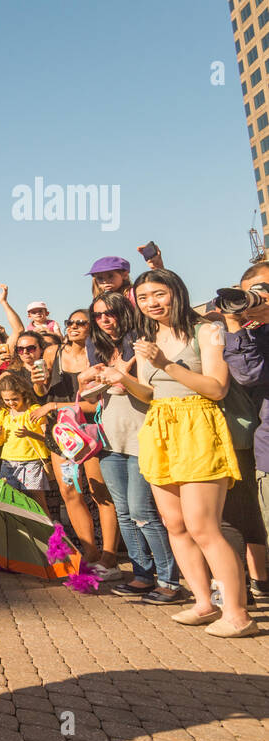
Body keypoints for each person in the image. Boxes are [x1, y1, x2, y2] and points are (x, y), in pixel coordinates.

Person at [101, 269, 255, 636]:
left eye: (159, 294)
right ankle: (203, 603)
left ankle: (237, 614)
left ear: (176, 292)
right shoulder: (147, 336)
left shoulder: (206, 329)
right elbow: (152, 394)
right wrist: (122, 379)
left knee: (204, 527)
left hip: (198, 426)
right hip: (158, 428)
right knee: (175, 525)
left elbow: (216, 388)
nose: (151, 302)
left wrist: (165, 364)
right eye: (143, 297)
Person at [80, 292, 183, 603]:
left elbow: (152, 393)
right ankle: (141, 576)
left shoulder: (141, 342)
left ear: (125, 312)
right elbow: (88, 400)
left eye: (110, 312)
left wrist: (122, 374)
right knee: (124, 513)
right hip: (110, 438)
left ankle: (169, 581)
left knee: (144, 512)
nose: (104, 319)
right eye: (98, 315)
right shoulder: (98, 348)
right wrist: (87, 380)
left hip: (143, 436)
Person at [31, 308, 121, 575]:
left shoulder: (101, 355)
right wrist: (39, 385)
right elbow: (42, 392)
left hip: (91, 429)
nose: (74, 326)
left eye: (81, 323)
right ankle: (90, 552)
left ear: (91, 327)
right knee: (70, 493)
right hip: (62, 432)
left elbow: (100, 403)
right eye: (71, 322)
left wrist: (55, 405)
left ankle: (109, 556)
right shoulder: (52, 353)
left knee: (99, 493)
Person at [218, 261, 269, 600]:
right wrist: (235, 323)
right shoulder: (253, 333)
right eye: (253, 292)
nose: (260, 297)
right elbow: (248, 375)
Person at [0, 372, 52, 512]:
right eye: (6, 400)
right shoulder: (4, 414)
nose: (11, 403)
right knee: (10, 501)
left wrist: (29, 434)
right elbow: (0, 442)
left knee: (37, 501)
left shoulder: (34, 411)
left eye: (14, 399)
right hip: (8, 462)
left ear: (23, 393)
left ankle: (49, 531)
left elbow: (48, 438)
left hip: (32, 461)